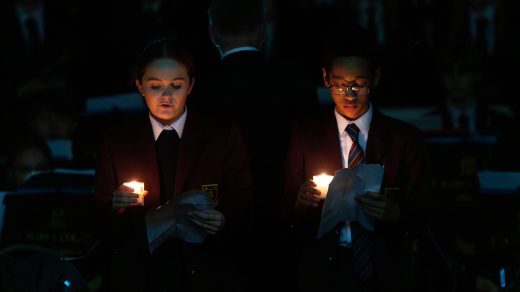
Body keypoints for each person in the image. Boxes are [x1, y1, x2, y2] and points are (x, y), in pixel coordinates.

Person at [94, 39, 253, 292]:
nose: (166, 95)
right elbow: (99, 215)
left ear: (190, 85)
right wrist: (116, 205)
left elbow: (244, 198)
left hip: (208, 272)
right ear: (139, 86)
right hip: (140, 274)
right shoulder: (118, 142)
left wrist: (224, 219)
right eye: (155, 86)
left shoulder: (220, 136)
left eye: (176, 86)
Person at [282, 27, 432, 291]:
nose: (349, 94)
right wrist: (300, 202)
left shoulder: (402, 138)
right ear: (326, 78)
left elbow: (425, 209)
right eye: (339, 84)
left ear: (375, 78)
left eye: (359, 84)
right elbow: (282, 208)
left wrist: (395, 213)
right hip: (323, 269)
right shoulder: (305, 135)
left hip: (384, 268)